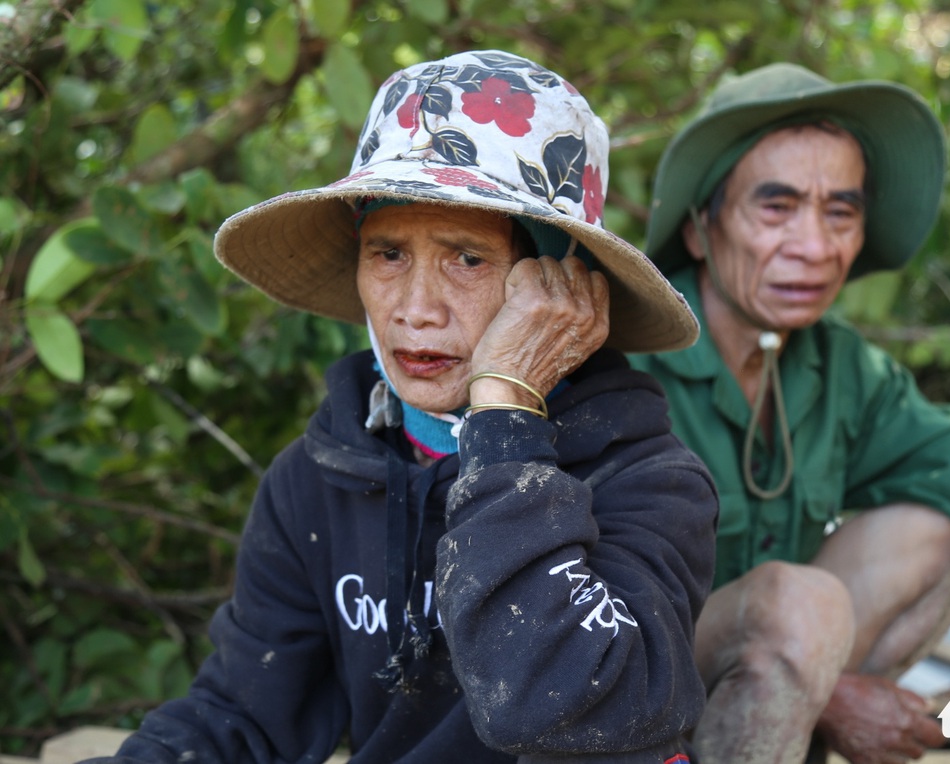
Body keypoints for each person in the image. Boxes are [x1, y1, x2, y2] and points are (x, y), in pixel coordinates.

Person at [81, 50, 718, 764]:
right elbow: (245, 717)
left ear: (558, 286)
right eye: (387, 254)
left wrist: (505, 410)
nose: (415, 310)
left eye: (466, 259)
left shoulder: (648, 480)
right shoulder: (318, 479)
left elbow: (565, 714)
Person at [629, 62, 950, 764]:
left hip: (778, 691)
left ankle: (828, 737)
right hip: (631, 693)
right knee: (792, 600)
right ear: (701, 230)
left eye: (840, 213)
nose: (816, 249)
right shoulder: (624, 363)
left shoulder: (839, 370)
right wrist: (836, 695)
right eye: (777, 208)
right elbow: (571, 617)